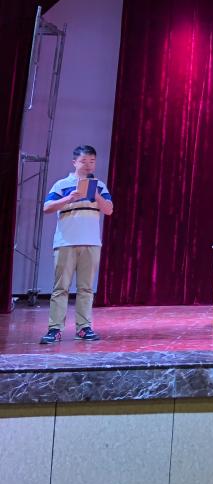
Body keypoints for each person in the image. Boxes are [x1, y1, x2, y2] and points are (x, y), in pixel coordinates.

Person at [39, 145, 113, 344]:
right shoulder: (62, 184)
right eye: (84, 161)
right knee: (61, 288)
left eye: (92, 161)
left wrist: (95, 195)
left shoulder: (100, 186)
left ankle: (83, 327)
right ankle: (55, 329)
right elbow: (47, 208)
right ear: (74, 162)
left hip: (91, 242)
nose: (88, 165)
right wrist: (68, 198)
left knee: (86, 288)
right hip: (66, 242)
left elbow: (108, 210)